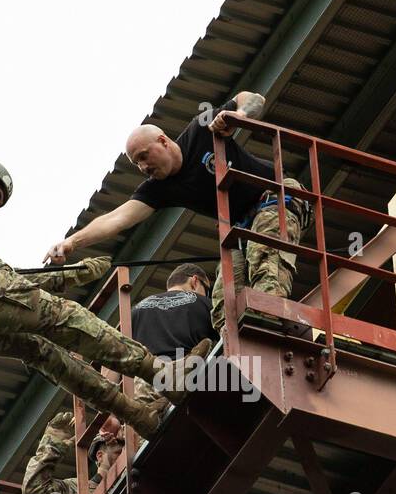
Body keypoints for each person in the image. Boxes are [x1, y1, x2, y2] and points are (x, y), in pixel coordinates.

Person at [0, 157, 198, 438]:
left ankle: (134, 414)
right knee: (67, 317)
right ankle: (161, 373)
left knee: (40, 351)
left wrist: (76, 274)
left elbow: (11, 283)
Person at [43, 93, 310, 331]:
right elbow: (117, 218)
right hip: (242, 228)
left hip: (275, 196)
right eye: (136, 163)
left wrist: (236, 116)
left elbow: (253, 99)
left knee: (265, 261)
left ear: (163, 141)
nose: (143, 166)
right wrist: (71, 242)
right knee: (223, 301)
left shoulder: (200, 130)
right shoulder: (159, 189)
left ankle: (271, 325)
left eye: (144, 156)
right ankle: (241, 347)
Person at [22, 411, 123, 494]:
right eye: (118, 453)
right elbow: (33, 489)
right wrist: (53, 446)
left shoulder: (132, 478)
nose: (123, 457)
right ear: (100, 456)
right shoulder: (74, 490)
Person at [129, 263, 218, 409]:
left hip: (145, 385)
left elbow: (114, 359)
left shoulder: (135, 311)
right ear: (195, 281)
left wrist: (108, 413)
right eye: (206, 290)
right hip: (186, 377)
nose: (206, 294)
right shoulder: (206, 304)